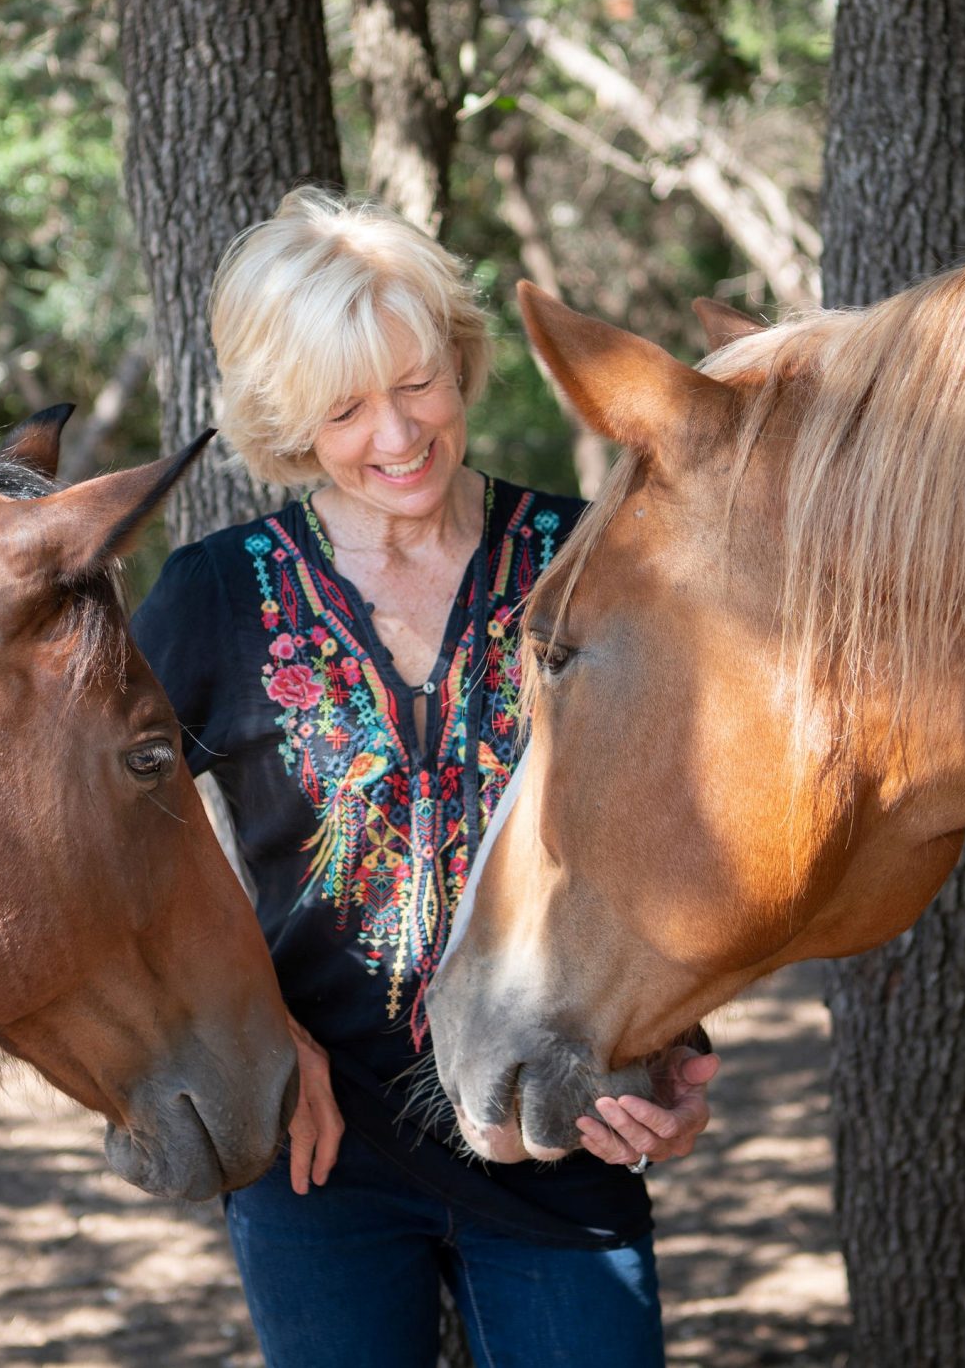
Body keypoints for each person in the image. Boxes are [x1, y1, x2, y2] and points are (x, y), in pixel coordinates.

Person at [130, 190, 719, 1368]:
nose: (396, 435)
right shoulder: (211, 598)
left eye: (416, 384)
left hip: (561, 1126)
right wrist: (251, 1028)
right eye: (344, 408)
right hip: (319, 1155)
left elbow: (678, 810)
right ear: (289, 420)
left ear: (459, 364)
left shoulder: (584, 562)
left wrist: (670, 1047)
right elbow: (116, 853)